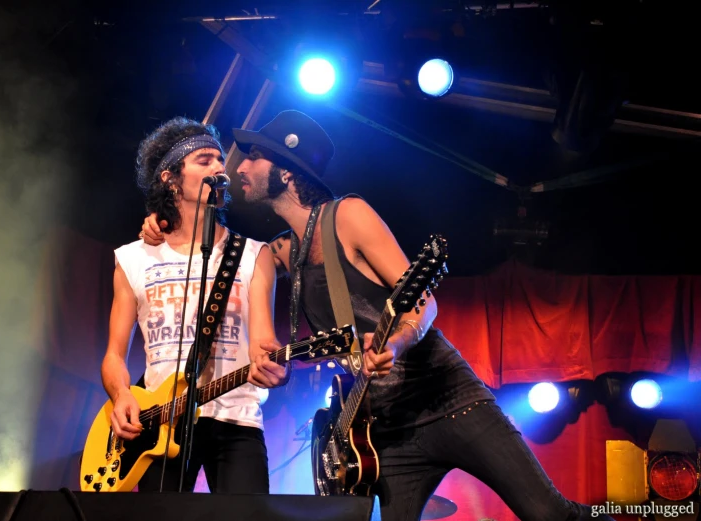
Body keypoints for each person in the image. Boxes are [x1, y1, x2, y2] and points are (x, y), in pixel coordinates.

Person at [139, 110, 614, 520]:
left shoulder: (350, 216)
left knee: (549, 513)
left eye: (254, 157)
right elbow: (227, 254)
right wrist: (163, 225)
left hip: (448, 400)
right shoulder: (282, 250)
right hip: (384, 430)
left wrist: (395, 342)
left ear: (285, 172)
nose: (239, 167)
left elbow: (423, 300)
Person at [101, 116, 289, 495]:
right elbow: (114, 356)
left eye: (220, 160)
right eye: (204, 160)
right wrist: (121, 395)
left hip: (237, 419)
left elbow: (263, 343)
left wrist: (271, 363)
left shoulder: (255, 255)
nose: (220, 168)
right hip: (160, 422)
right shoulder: (133, 258)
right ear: (170, 177)